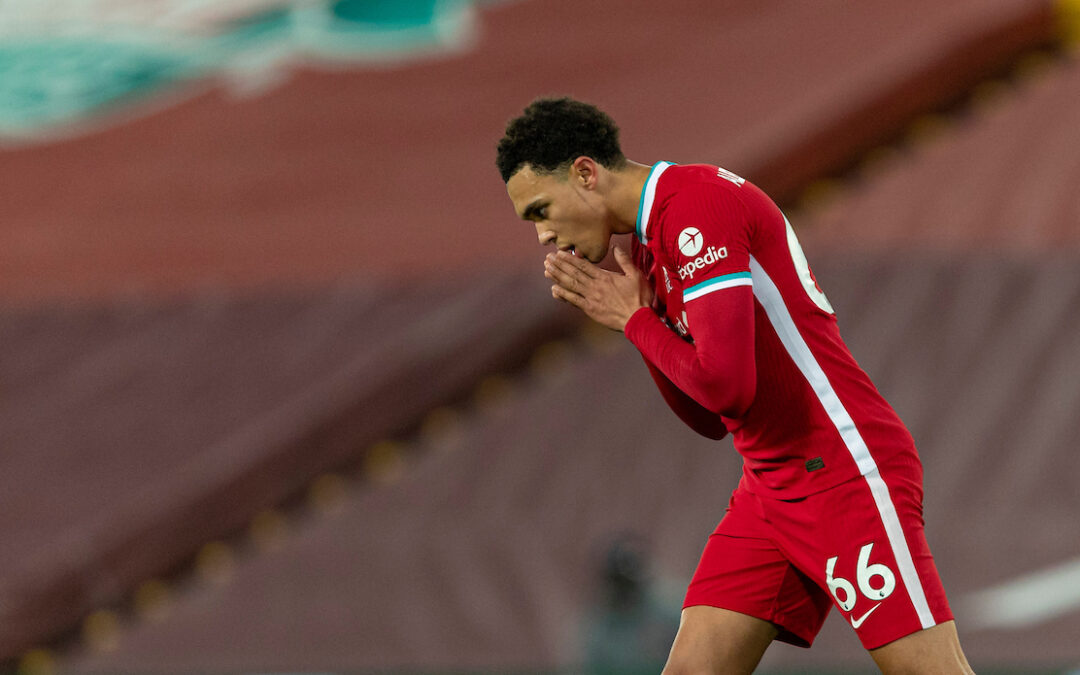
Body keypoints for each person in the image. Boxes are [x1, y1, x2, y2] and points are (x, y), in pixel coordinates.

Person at [495, 97, 974, 674]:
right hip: (770, 486)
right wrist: (636, 323)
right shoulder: (650, 244)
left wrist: (635, 321)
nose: (544, 234)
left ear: (584, 173)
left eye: (541, 210)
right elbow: (708, 419)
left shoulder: (696, 207)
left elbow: (728, 389)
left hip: (842, 470)